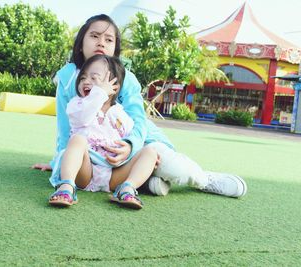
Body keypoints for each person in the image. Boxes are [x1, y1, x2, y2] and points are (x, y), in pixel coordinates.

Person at [32, 14, 247, 198]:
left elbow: (138, 120)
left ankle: (204, 179)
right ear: (80, 43)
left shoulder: (127, 79)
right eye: (94, 36)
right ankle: (149, 183)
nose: (101, 43)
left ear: (115, 48)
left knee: (172, 167)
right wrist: (60, 158)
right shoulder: (69, 77)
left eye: (109, 39)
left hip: (137, 139)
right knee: (128, 172)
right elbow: (64, 124)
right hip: (98, 152)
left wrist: (130, 145)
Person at [48, 54, 158, 209]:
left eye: (94, 78)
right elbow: (83, 118)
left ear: (114, 87)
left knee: (150, 152)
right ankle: (67, 186)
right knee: (77, 140)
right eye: (83, 78)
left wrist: (131, 151)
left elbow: (130, 138)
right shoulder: (77, 105)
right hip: (86, 170)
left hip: (113, 173)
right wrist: (99, 93)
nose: (86, 81)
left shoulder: (119, 113)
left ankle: (127, 188)